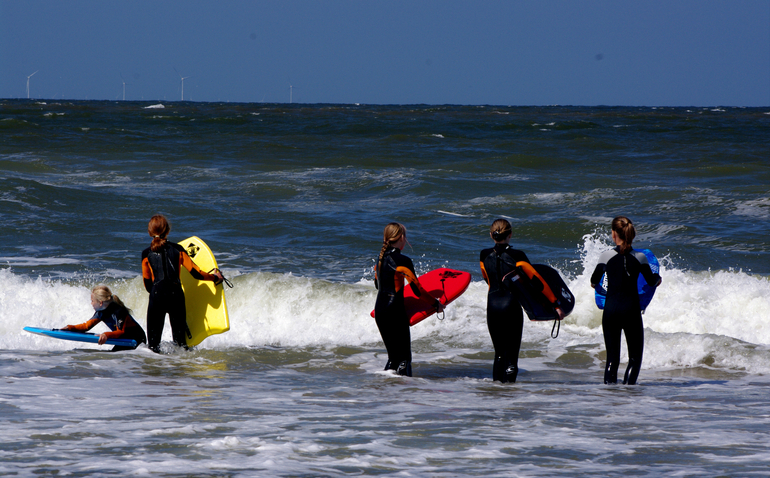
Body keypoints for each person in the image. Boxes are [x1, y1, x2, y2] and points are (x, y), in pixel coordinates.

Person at [479, 219, 565, 383]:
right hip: (511, 306)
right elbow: (538, 281)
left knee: (499, 354)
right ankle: (510, 399)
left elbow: (486, 278)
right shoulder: (517, 255)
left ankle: (496, 393)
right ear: (510, 235)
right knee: (511, 357)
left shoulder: (484, 255)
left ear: (491, 235)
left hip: (493, 306)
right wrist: (555, 304)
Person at [590, 216, 662, 385]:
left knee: (612, 360)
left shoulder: (605, 256)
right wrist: (659, 278)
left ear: (614, 234)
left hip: (611, 310)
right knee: (635, 359)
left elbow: (594, 282)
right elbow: (652, 281)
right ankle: (628, 398)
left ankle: (610, 398)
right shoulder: (640, 257)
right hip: (631, 310)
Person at [141, 214, 222, 353]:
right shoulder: (178, 250)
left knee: (153, 347)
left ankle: (154, 372)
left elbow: (147, 283)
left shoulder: (146, 253)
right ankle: (181, 371)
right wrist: (215, 277)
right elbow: (196, 273)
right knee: (181, 346)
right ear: (167, 230)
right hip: (175, 296)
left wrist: (158, 293)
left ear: (150, 233)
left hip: (157, 296)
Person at [374, 222, 443, 377]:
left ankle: (387, 391)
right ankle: (404, 396)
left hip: (380, 310)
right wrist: (436, 304)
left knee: (393, 358)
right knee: (404, 359)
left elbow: (377, 283)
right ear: (402, 237)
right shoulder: (403, 261)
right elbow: (417, 291)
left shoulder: (379, 259)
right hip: (395, 312)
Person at [62, 285, 147, 351]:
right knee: (114, 357)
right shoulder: (100, 312)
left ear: (100, 303)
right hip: (124, 339)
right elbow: (86, 326)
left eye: (92, 301)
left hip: (137, 340)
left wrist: (106, 335)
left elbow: (121, 332)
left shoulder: (119, 311)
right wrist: (70, 327)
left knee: (114, 358)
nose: (91, 303)